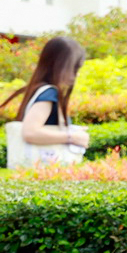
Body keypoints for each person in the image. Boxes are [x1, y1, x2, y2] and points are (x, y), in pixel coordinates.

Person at [3, 35, 89, 167]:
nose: (75, 75)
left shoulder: (39, 89)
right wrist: (72, 137)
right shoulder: (49, 94)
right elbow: (30, 132)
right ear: (63, 67)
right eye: (74, 68)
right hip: (42, 171)